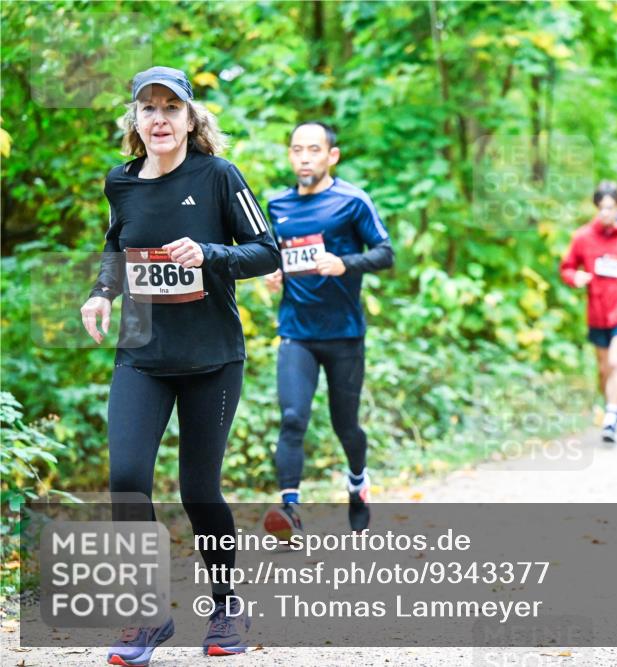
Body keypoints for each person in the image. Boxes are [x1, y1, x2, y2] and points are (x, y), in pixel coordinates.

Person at [79, 66, 280, 664]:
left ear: (192, 118)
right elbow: (116, 249)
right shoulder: (121, 182)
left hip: (212, 358)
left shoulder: (218, 176)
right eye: (149, 109)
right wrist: (99, 292)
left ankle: (224, 606)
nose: (160, 118)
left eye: (172, 107)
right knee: (127, 480)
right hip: (142, 355)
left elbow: (267, 250)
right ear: (134, 121)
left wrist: (211, 253)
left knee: (199, 489)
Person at [261, 121, 393, 538]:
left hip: (344, 335)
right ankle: (290, 510)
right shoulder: (278, 205)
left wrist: (344, 263)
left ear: (331, 156)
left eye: (313, 150)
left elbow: (385, 253)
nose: (304, 157)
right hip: (296, 332)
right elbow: (274, 255)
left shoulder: (353, 202)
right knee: (293, 417)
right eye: (297, 149)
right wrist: (273, 274)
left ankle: (357, 482)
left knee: (345, 425)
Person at [559, 180, 617, 445]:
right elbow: (566, 267)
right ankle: (612, 405)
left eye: (610, 208)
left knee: (615, 360)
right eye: (601, 208)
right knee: (603, 369)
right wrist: (575, 277)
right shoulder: (584, 237)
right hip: (597, 311)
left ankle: (612, 415)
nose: (605, 213)